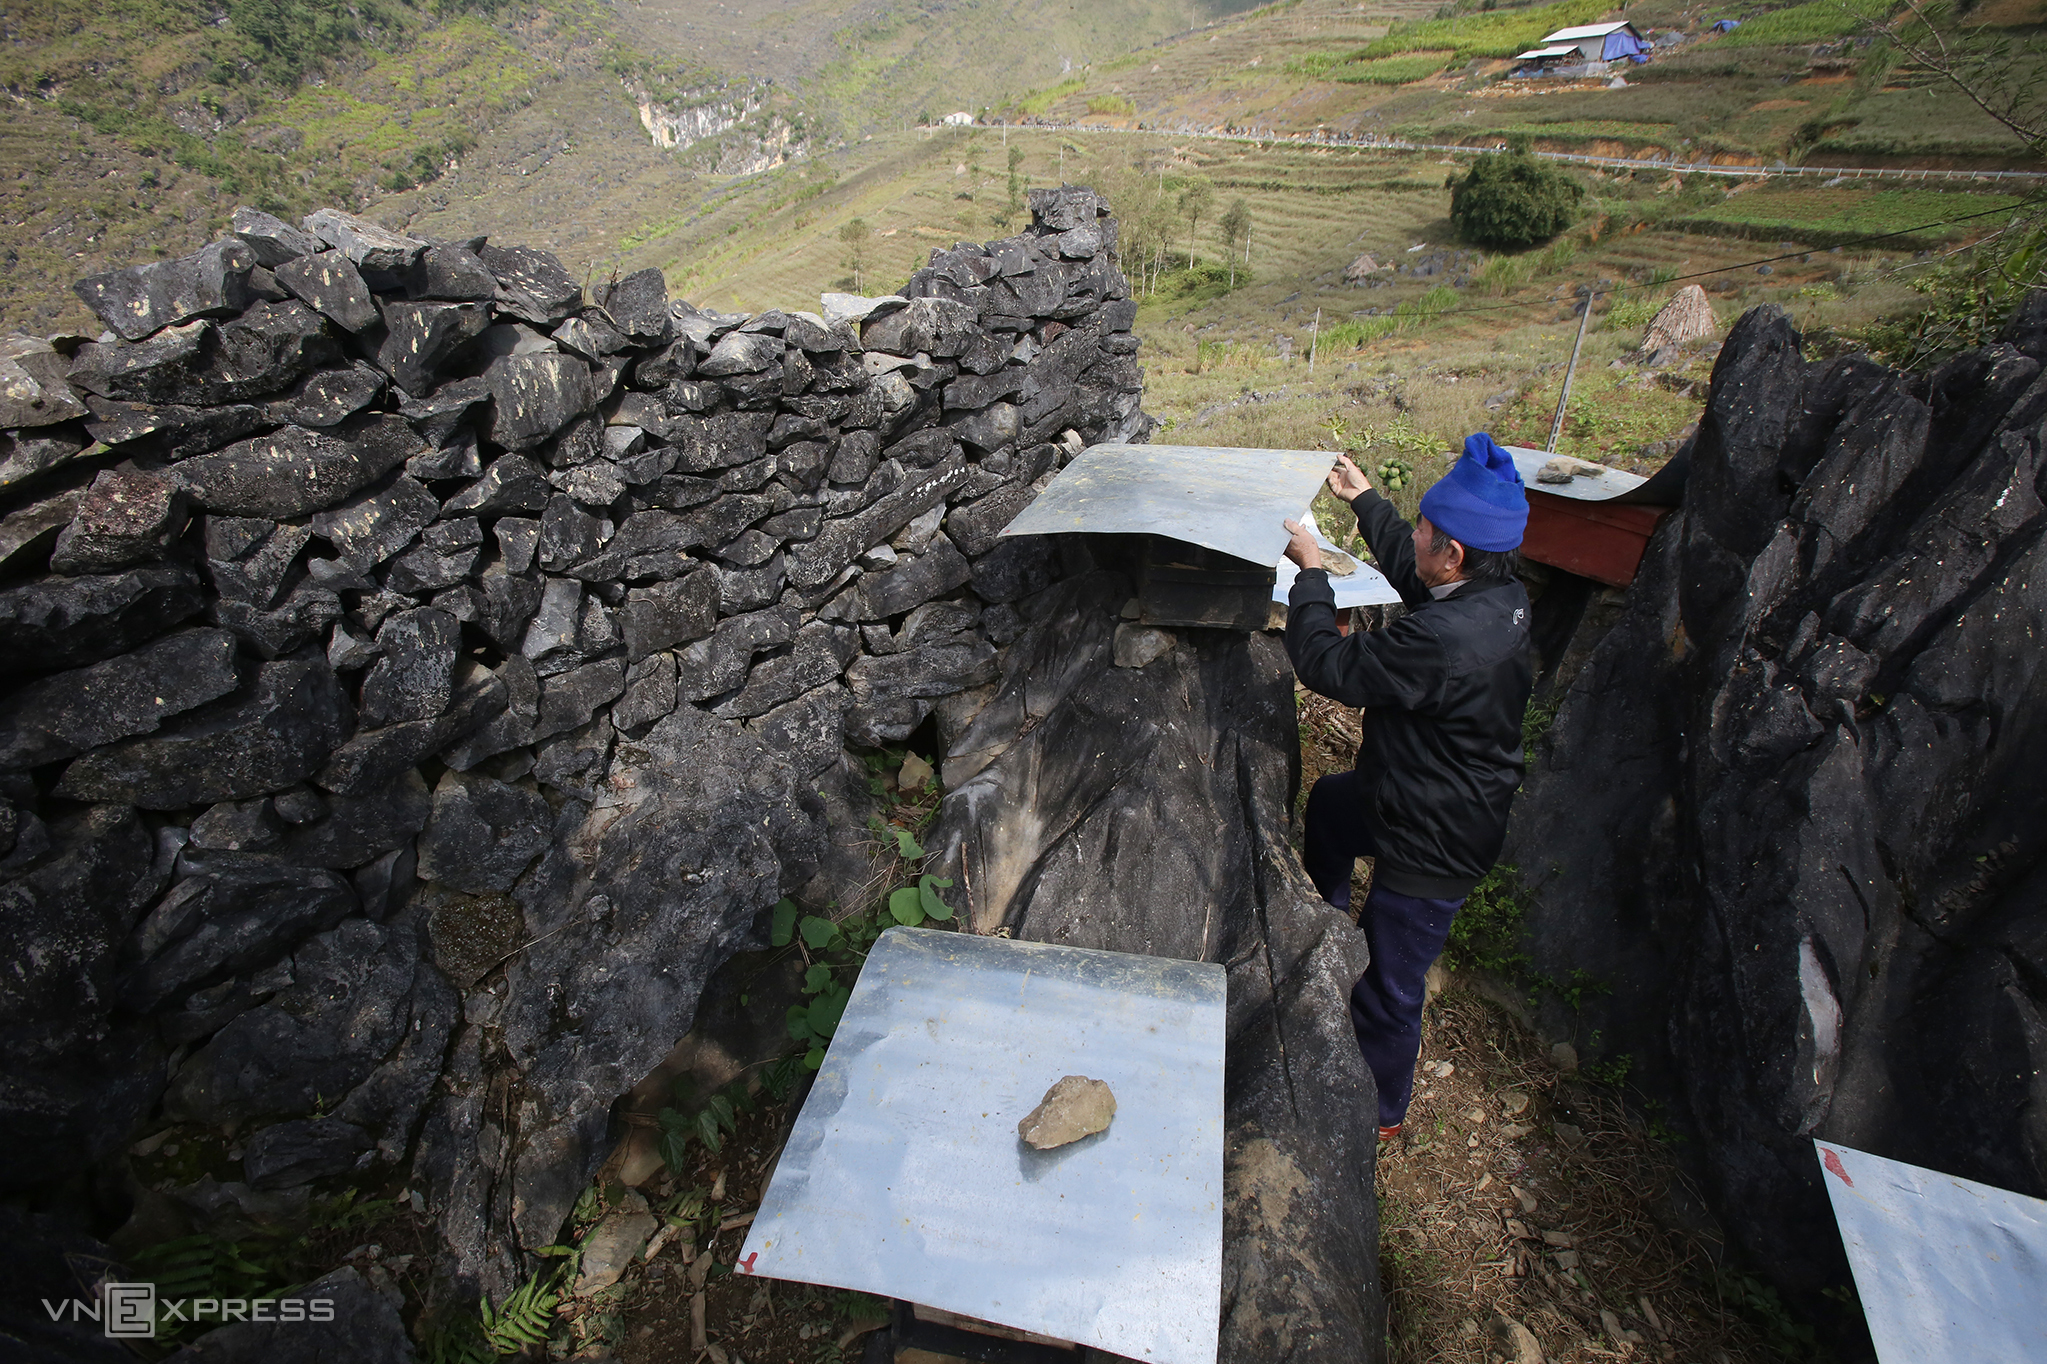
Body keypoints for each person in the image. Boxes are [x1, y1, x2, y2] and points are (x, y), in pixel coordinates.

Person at [1280, 433, 1533, 1143]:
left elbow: (1327, 665)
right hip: (1412, 788)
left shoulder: (1445, 640)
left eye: (1424, 528)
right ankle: (1324, 928)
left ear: (1451, 552)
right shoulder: (1493, 592)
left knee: (1390, 987)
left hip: (1437, 834)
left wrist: (1311, 572)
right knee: (1331, 807)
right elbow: (1410, 566)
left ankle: (1379, 1110)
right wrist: (1362, 499)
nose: (1415, 536)